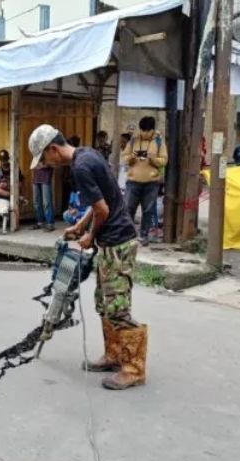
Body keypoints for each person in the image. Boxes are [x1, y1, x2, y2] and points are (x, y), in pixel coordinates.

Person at [29, 124, 145, 391]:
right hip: (110, 242)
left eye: (44, 158)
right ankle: (113, 354)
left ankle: (133, 368)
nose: (47, 164)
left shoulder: (80, 168)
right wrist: (81, 225)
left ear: (53, 149)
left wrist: (89, 236)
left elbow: (102, 210)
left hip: (118, 242)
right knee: (104, 305)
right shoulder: (88, 154)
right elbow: (98, 203)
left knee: (118, 309)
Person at [123, 116, 168, 246]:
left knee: (147, 210)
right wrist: (132, 157)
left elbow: (164, 160)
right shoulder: (133, 140)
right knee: (128, 208)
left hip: (151, 182)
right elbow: (125, 156)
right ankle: (129, 234)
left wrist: (153, 158)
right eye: (142, 130)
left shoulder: (159, 142)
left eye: (147, 131)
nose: (144, 133)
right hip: (133, 181)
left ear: (152, 130)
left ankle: (144, 235)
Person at [32, 158, 55, 231]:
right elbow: (33, 165)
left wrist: (43, 165)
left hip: (45, 178)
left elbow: (54, 163)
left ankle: (50, 224)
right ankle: (40, 222)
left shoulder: (49, 151)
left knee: (47, 202)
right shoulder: (36, 152)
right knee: (36, 202)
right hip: (36, 178)